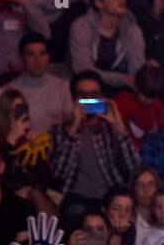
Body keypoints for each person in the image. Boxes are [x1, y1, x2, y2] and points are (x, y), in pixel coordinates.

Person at [48, 72, 140, 224]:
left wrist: (119, 129)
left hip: (109, 202)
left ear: (102, 98)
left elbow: (134, 169)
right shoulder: (59, 132)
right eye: (83, 95)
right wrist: (73, 130)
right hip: (74, 203)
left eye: (94, 95)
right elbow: (58, 175)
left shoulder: (112, 130)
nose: (89, 100)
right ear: (73, 99)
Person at [67, 0, 146, 90]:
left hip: (123, 90)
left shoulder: (132, 29)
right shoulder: (81, 27)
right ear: (99, 3)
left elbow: (137, 69)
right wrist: (122, 79)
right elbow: (82, 69)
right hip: (86, 87)